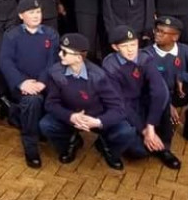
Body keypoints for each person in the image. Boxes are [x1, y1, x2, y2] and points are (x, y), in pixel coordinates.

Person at [39, 32, 137, 170]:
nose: (60, 54)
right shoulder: (56, 72)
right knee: (46, 125)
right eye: (60, 50)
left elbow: (118, 108)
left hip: (97, 118)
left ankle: (106, 148)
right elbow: (51, 103)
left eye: (65, 52)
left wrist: (98, 121)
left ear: (79, 58)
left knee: (126, 131)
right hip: (71, 117)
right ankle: (70, 144)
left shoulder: (99, 76)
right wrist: (71, 117)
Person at [102, 29, 181, 169]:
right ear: (115, 47)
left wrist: (150, 125)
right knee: (139, 152)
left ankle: (164, 149)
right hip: (125, 107)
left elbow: (158, 90)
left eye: (133, 44)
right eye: (125, 46)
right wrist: (144, 130)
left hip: (143, 102)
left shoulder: (145, 57)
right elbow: (120, 102)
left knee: (163, 98)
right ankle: (105, 142)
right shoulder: (110, 66)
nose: (131, 50)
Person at [0, 0, 60, 168]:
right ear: (21, 15)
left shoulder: (51, 34)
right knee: (33, 101)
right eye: (31, 12)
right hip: (22, 87)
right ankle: (30, 146)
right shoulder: (12, 35)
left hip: (45, 84)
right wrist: (22, 83)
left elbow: (53, 62)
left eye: (38, 11)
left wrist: (41, 82)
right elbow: (5, 62)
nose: (35, 15)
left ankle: (64, 139)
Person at [143, 17, 188, 152]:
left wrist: (182, 76)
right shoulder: (147, 54)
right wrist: (167, 103)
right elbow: (147, 87)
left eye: (162, 32)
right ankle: (163, 143)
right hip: (156, 97)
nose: (157, 34)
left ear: (175, 37)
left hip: (178, 93)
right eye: (156, 30)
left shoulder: (184, 50)